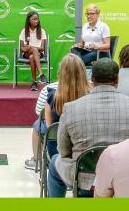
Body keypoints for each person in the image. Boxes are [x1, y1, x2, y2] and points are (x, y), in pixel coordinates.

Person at [48, 58, 129, 198]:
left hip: (83, 180)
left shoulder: (71, 108)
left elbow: (63, 151)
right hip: (122, 178)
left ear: (92, 78)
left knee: (55, 160)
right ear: (117, 79)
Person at [44, 54, 91, 157]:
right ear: (83, 71)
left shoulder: (51, 95)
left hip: (57, 154)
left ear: (61, 73)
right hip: (86, 154)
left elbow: (49, 127)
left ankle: (37, 159)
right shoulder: (92, 94)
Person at [24, 81, 58, 170]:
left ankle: (37, 160)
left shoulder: (49, 89)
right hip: (79, 129)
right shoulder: (89, 87)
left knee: (38, 124)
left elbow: (39, 111)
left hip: (55, 129)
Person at [19, 11, 48, 91]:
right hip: (27, 53)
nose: (36, 21)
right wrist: (26, 48)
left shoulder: (42, 31)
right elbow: (22, 48)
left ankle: (34, 82)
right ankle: (41, 74)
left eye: (37, 19)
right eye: (34, 19)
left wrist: (32, 47)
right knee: (32, 53)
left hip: (38, 53)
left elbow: (42, 48)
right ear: (29, 20)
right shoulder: (24, 31)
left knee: (32, 57)